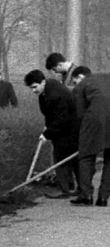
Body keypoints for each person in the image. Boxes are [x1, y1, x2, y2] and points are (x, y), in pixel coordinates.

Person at [24, 69, 79, 197]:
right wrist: (48, 127)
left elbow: (62, 118)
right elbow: (50, 114)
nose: (33, 90)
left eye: (35, 87)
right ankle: (69, 187)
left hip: (69, 131)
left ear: (42, 82)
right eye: (31, 88)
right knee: (65, 159)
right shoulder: (46, 90)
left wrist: (47, 134)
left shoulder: (56, 94)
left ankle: (66, 189)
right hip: (63, 129)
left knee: (62, 158)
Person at [70, 66, 110, 206]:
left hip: (94, 119)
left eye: (74, 81)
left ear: (79, 77)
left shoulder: (82, 85)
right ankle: (103, 197)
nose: (75, 84)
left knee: (86, 156)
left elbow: (80, 115)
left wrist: (83, 136)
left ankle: (86, 195)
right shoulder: (106, 77)